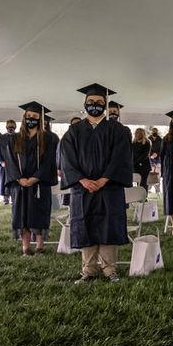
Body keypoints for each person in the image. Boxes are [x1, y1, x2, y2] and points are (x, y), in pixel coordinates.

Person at [60, 83, 133, 284]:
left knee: (109, 225)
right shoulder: (73, 131)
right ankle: (89, 270)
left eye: (100, 102)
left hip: (109, 188)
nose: (95, 105)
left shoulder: (117, 130)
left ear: (106, 104)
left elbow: (121, 158)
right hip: (83, 189)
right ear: (85, 104)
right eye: (91, 102)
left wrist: (102, 180)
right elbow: (67, 159)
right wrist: (83, 180)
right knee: (86, 225)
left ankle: (110, 269)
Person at [3, 102, 59, 256]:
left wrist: (35, 178)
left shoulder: (48, 138)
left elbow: (49, 162)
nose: (31, 119)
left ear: (40, 119)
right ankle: (26, 247)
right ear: (24, 118)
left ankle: (40, 245)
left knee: (39, 212)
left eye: (35, 116)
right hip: (20, 184)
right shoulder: (14, 139)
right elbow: (10, 161)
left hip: (40, 184)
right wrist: (19, 178)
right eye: (28, 116)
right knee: (22, 214)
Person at [0, 120, 18, 205]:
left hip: (15, 164)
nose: (10, 128)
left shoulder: (19, 137)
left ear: (15, 127)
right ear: (6, 127)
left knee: (14, 181)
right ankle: (6, 198)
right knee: (4, 181)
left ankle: (14, 198)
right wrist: (1, 161)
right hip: (5, 164)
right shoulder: (0, 138)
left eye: (12, 126)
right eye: (9, 126)